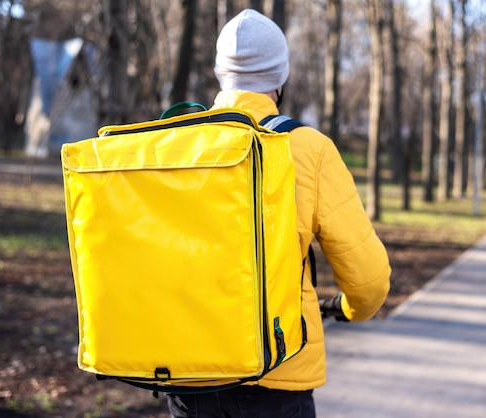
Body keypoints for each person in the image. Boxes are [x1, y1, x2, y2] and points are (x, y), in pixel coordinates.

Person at [167, 9, 391, 418]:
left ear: (221, 74)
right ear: (279, 78)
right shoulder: (309, 149)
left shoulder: (176, 144)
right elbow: (369, 280)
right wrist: (347, 309)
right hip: (277, 373)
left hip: (187, 371)